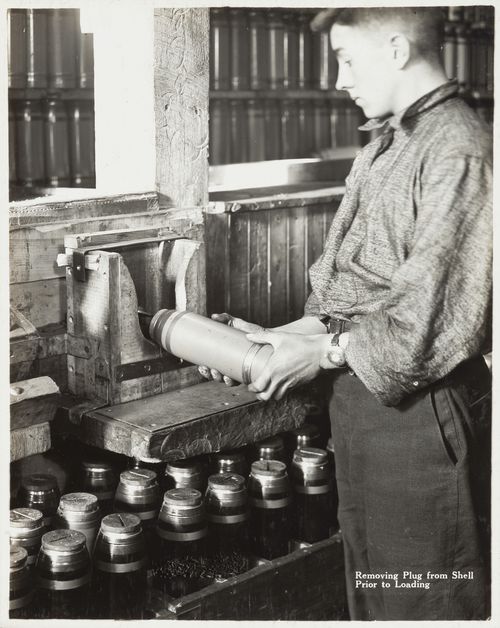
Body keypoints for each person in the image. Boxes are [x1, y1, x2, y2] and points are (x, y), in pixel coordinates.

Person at [199, 7, 492, 621]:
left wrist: (323, 352)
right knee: (376, 596)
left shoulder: (459, 149)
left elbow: (426, 322)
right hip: (361, 413)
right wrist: (277, 338)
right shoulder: (386, 144)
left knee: (424, 603)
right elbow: (349, 301)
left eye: (346, 59)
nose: (338, 80)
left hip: (420, 421)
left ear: (394, 49)